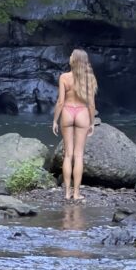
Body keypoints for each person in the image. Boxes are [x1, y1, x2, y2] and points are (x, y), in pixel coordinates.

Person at [52, 49, 97, 202]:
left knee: (68, 155)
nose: (69, 56)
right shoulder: (89, 79)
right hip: (82, 113)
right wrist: (92, 122)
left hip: (67, 112)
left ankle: (66, 193)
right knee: (78, 155)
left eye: (71, 55)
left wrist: (55, 120)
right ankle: (76, 194)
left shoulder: (64, 77)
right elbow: (91, 104)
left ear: (74, 60)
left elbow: (60, 102)